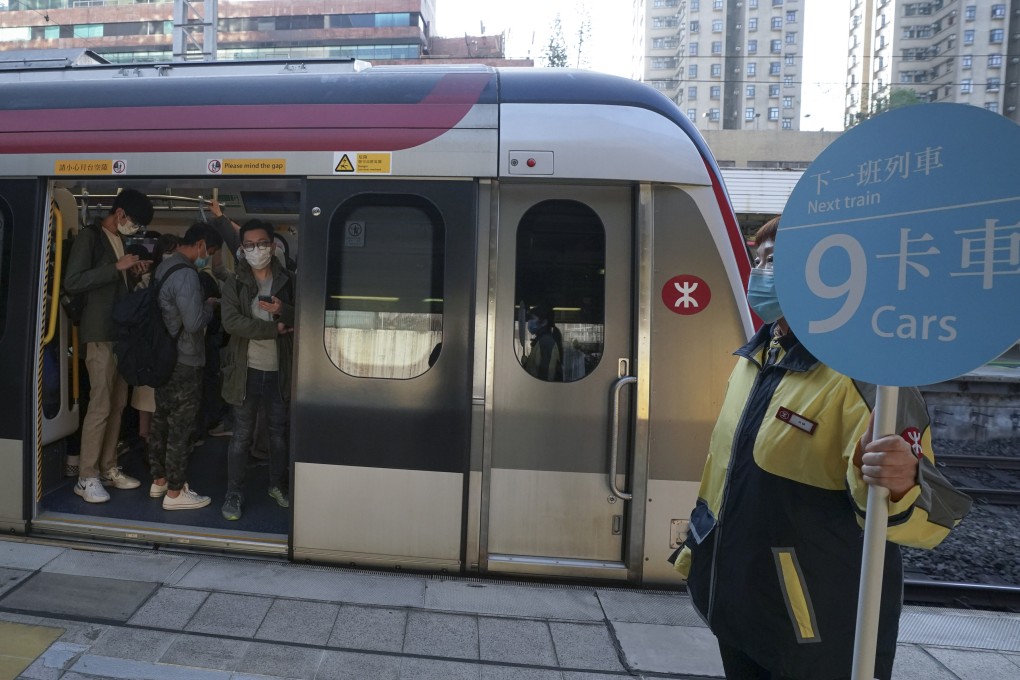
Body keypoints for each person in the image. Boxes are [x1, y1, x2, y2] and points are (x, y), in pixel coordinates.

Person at [672, 216, 971, 680]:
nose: (761, 272)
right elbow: (721, 478)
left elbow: (932, 519)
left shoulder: (869, 377)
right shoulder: (755, 361)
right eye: (758, 260)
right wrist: (698, 556)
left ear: (826, 273)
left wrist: (901, 486)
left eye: (776, 261)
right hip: (737, 609)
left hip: (817, 634)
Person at [63, 189, 154, 503]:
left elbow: (113, 287)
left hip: (119, 334)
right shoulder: (90, 237)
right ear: (121, 214)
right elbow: (72, 281)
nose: (136, 229)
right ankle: (86, 476)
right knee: (100, 406)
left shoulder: (120, 242)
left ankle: (108, 467)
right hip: (99, 334)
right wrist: (115, 268)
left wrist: (131, 273)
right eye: (135, 223)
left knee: (117, 405)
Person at [219, 219, 295, 521]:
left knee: (278, 434)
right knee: (241, 435)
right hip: (246, 370)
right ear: (241, 249)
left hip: (279, 370)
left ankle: (277, 485)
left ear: (273, 245)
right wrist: (274, 328)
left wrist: (283, 310)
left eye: (262, 243)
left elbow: (304, 314)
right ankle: (233, 493)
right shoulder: (234, 284)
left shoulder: (289, 280)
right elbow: (231, 323)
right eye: (249, 245)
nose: (256, 250)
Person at [147, 223, 222, 510]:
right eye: (210, 252)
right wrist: (210, 306)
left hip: (163, 357)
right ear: (201, 244)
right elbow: (193, 323)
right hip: (185, 359)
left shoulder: (163, 267)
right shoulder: (188, 275)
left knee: (161, 420)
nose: (207, 257)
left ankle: (160, 480)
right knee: (181, 427)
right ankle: (176, 493)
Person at [129, 234, 179, 448]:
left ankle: (153, 442)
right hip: (152, 346)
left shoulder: (176, 277)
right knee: (150, 398)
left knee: (156, 399)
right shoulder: (148, 279)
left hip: (160, 345)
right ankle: (149, 441)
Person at [523, 305, 563, 382]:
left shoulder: (546, 342)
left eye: (532, 318)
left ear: (544, 322)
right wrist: (526, 364)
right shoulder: (541, 341)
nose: (529, 322)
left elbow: (545, 377)